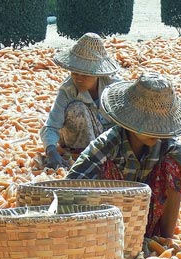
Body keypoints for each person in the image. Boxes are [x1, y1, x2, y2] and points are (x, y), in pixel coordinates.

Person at [66, 72, 181, 255]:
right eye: (150, 125)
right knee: (100, 169)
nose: (155, 132)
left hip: (150, 221)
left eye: (158, 126)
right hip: (111, 223)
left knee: (173, 166)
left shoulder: (167, 143)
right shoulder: (109, 143)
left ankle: (164, 241)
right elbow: (72, 182)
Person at [40, 32, 121, 169]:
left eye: (85, 75)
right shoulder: (68, 90)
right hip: (76, 144)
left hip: (109, 141)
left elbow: (126, 123)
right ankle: (83, 159)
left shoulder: (114, 88)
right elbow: (51, 126)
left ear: (97, 73)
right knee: (78, 109)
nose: (78, 78)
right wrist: (51, 151)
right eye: (75, 73)